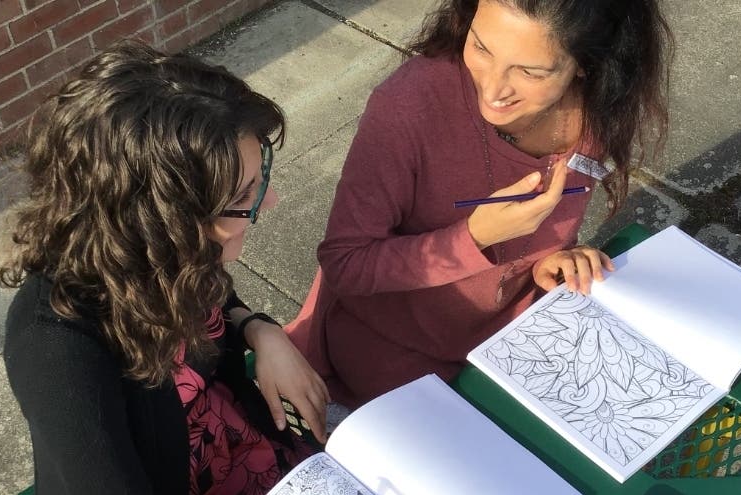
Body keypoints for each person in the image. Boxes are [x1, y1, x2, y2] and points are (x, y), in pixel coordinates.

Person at [0, 41, 428, 495]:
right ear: (160, 220)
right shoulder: (54, 346)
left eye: (259, 179)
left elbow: (213, 296)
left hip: (240, 454)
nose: (268, 202)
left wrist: (259, 329)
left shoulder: (172, 253)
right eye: (243, 198)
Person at [287, 0, 673, 408]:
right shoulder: (409, 105)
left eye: (530, 71)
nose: (492, 90)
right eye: (481, 47)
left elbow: (544, 237)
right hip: (397, 355)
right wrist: (474, 237)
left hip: (518, 341)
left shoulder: (599, 110)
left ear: (585, 64)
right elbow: (346, 264)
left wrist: (552, 261)